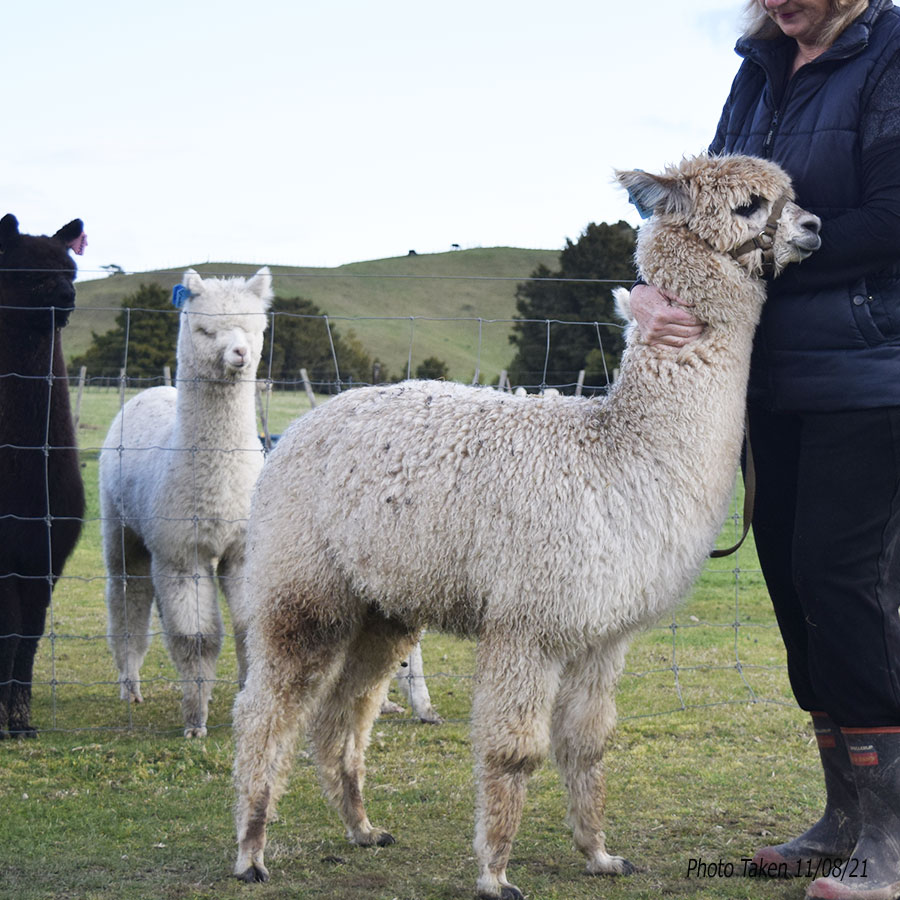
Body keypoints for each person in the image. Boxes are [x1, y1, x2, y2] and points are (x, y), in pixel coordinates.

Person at [629, 1, 900, 897]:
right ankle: (843, 816)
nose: (778, 4)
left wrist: (749, 250)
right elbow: (697, 210)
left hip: (871, 371)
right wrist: (658, 291)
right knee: (789, 581)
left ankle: (891, 838)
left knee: (843, 581)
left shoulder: (891, 53)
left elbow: (891, 218)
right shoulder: (757, 65)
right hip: (768, 372)